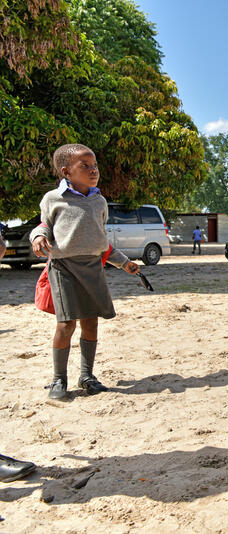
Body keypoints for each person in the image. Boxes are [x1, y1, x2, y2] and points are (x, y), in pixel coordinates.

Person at [30, 144, 141, 400]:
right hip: (64, 267)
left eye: (95, 166)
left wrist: (124, 263)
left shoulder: (99, 201)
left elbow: (100, 242)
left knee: (90, 322)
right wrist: (38, 237)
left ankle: (87, 376)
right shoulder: (52, 199)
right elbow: (43, 226)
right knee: (66, 323)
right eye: (85, 166)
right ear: (66, 171)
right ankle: (59, 379)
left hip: (93, 267)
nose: (93, 171)